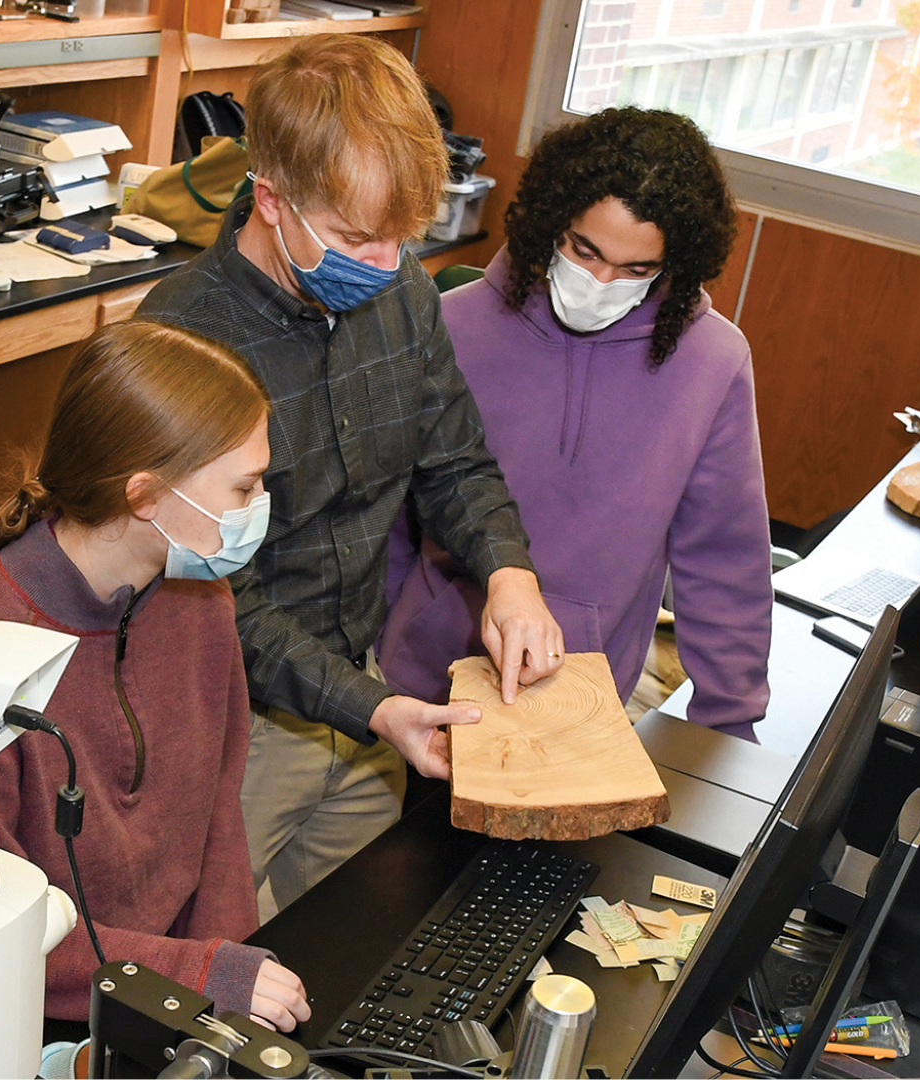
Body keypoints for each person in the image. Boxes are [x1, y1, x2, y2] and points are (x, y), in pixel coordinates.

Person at [137, 33, 564, 916]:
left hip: (367, 694)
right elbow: (215, 599)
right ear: (270, 200)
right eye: (356, 239)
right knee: (210, 966)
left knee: (341, 943)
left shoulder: (397, 290)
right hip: (231, 722)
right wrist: (372, 708)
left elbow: (453, 458)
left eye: (400, 239)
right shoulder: (183, 342)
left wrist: (511, 576)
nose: (385, 266)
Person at [0, 320, 311, 1032]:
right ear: (146, 496)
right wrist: (195, 978)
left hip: (159, 993)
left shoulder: (203, 606)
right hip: (16, 1011)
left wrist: (227, 969)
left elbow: (219, 813)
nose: (257, 510)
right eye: (244, 486)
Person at [379, 107, 771, 741]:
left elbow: (724, 558)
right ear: (550, 221)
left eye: (637, 270)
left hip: (583, 702)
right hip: (424, 685)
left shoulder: (713, 363)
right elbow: (391, 510)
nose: (601, 282)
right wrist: (392, 632)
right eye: (584, 250)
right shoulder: (451, 325)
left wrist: (728, 723)